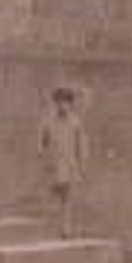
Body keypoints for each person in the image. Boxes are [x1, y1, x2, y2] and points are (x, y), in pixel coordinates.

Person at [39, 87, 86, 238]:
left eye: (65, 102)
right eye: (58, 102)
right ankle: (50, 228)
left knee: (67, 198)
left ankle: (65, 229)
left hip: (69, 164)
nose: (62, 105)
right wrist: (44, 159)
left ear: (70, 104)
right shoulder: (48, 121)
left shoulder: (75, 122)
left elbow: (81, 145)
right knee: (52, 196)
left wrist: (80, 164)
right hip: (54, 163)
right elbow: (42, 143)